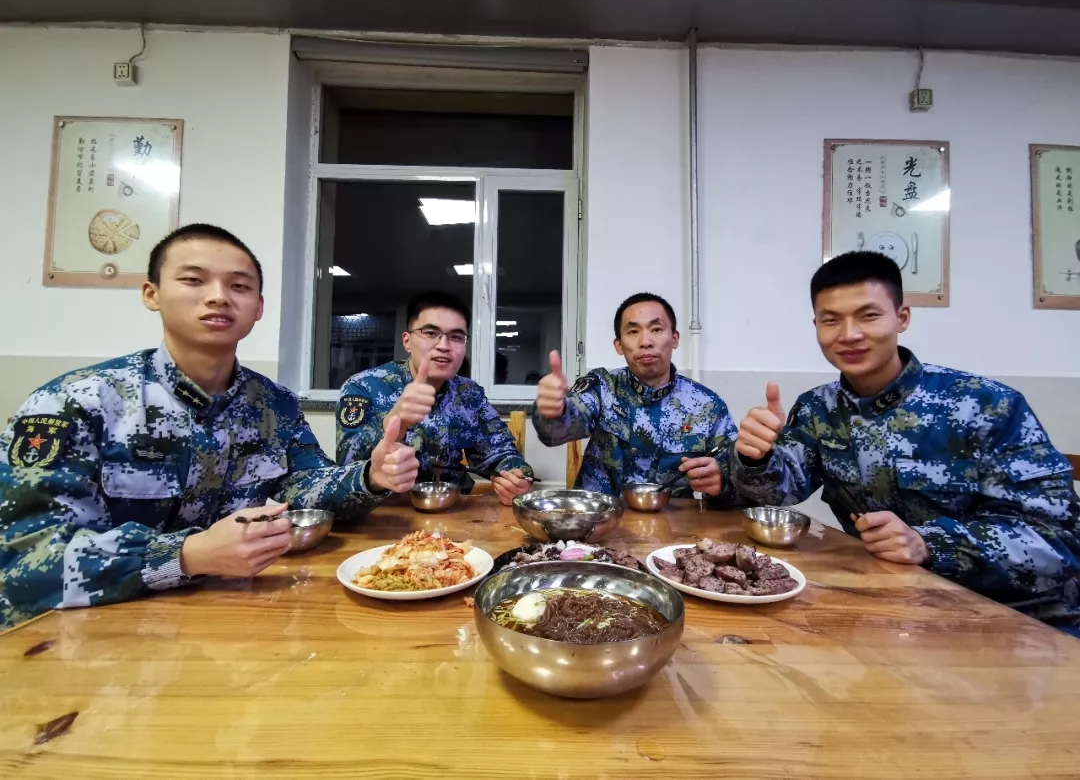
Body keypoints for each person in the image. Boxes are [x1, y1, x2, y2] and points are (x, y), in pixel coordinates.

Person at [0, 224, 419, 631]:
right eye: (193, 280)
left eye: (239, 286)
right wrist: (188, 554)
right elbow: (21, 562)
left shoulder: (275, 404)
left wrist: (371, 475)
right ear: (151, 293)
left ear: (258, 307)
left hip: (220, 626)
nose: (219, 297)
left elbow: (305, 486)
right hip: (92, 638)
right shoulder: (75, 403)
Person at [731, 250, 1080, 633]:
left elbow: (1058, 541)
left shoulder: (987, 405)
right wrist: (755, 458)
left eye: (868, 315)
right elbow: (781, 493)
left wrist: (929, 544)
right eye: (831, 320)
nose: (849, 334)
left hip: (1017, 622)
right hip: (892, 610)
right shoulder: (819, 408)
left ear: (902, 318)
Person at [532, 292, 740, 501]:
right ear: (619, 345)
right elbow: (555, 433)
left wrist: (722, 482)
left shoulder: (706, 405)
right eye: (633, 331)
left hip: (671, 518)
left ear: (674, 339)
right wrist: (554, 411)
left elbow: (741, 483)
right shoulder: (602, 387)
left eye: (656, 329)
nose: (645, 341)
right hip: (599, 514)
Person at [337, 291, 534, 505]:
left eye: (456, 337)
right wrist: (395, 423)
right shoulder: (364, 387)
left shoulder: (469, 393)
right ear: (407, 341)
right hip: (385, 512)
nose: (443, 346)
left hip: (453, 511)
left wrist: (516, 477)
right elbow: (347, 471)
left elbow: (501, 452)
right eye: (431, 333)